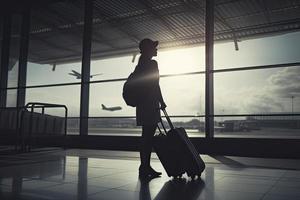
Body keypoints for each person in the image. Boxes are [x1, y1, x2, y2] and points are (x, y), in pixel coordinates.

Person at [135, 38, 167, 179]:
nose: (156, 49)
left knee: (145, 138)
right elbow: (155, 84)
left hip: (142, 105)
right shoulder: (153, 64)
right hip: (150, 104)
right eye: (154, 47)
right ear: (148, 49)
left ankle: (144, 167)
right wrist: (162, 101)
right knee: (148, 138)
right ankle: (145, 167)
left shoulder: (140, 65)